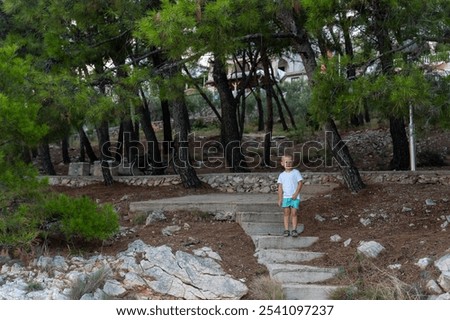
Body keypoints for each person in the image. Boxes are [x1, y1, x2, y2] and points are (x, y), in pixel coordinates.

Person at [277, 154, 303, 237]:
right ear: (282, 163)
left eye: (290, 162)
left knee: (294, 212)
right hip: (286, 197)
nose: (288, 164)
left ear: (293, 163)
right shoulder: (281, 175)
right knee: (286, 213)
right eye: (286, 162)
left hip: (295, 197)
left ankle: (294, 229)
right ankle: (286, 229)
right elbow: (280, 187)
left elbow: (300, 183)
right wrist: (280, 198)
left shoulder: (296, 172)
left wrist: (296, 194)